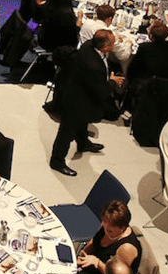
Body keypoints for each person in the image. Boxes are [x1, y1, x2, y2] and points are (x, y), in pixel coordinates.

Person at [49, 30, 121, 177]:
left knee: (82, 123)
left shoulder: (88, 45)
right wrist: (113, 82)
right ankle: (57, 161)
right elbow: (102, 91)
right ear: (105, 47)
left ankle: (83, 143)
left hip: (79, 93)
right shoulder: (93, 65)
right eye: (113, 43)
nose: (114, 45)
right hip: (78, 101)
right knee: (66, 132)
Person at [72, 199, 141, 274]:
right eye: (104, 226)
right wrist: (81, 257)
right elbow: (93, 242)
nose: (105, 231)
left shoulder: (127, 248)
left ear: (122, 228)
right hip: (92, 268)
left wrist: (98, 263)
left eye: (110, 231)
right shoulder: (108, 226)